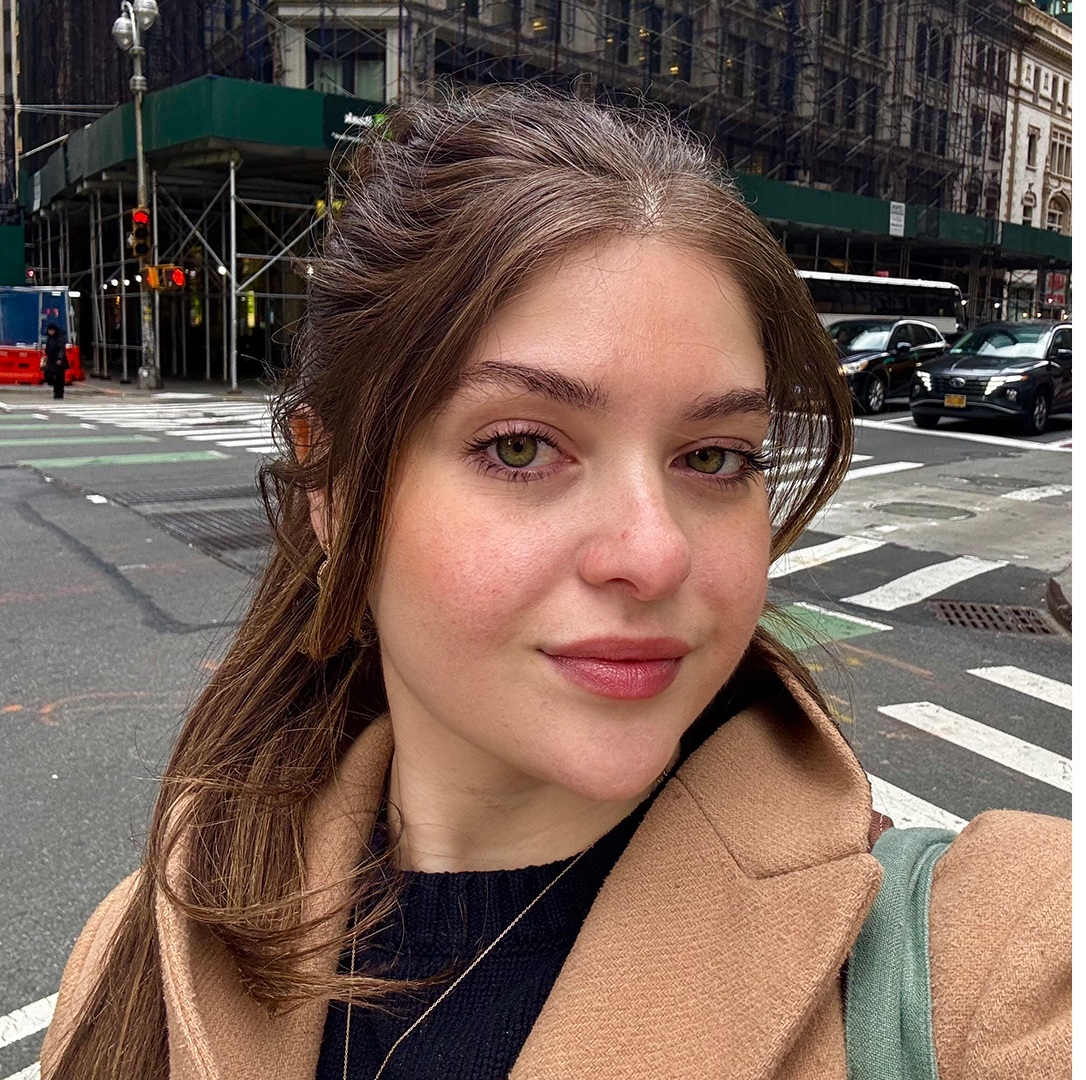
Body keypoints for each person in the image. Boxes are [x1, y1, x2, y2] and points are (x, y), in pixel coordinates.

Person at [41, 87, 1069, 1080]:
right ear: (335, 490)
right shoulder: (139, 961)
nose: (653, 555)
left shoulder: (973, 961)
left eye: (716, 457)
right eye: (522, 447)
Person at [41, 322, 69, 399]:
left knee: (59, 377)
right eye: (49, 330)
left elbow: (61, 349)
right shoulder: (49, 338)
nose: (50, 332)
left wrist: (60, 358)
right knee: (49, 375)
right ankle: (56, 389)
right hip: (51, 359)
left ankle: (59, 393)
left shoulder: (60, 338)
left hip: (58, 360)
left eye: (51, 330)